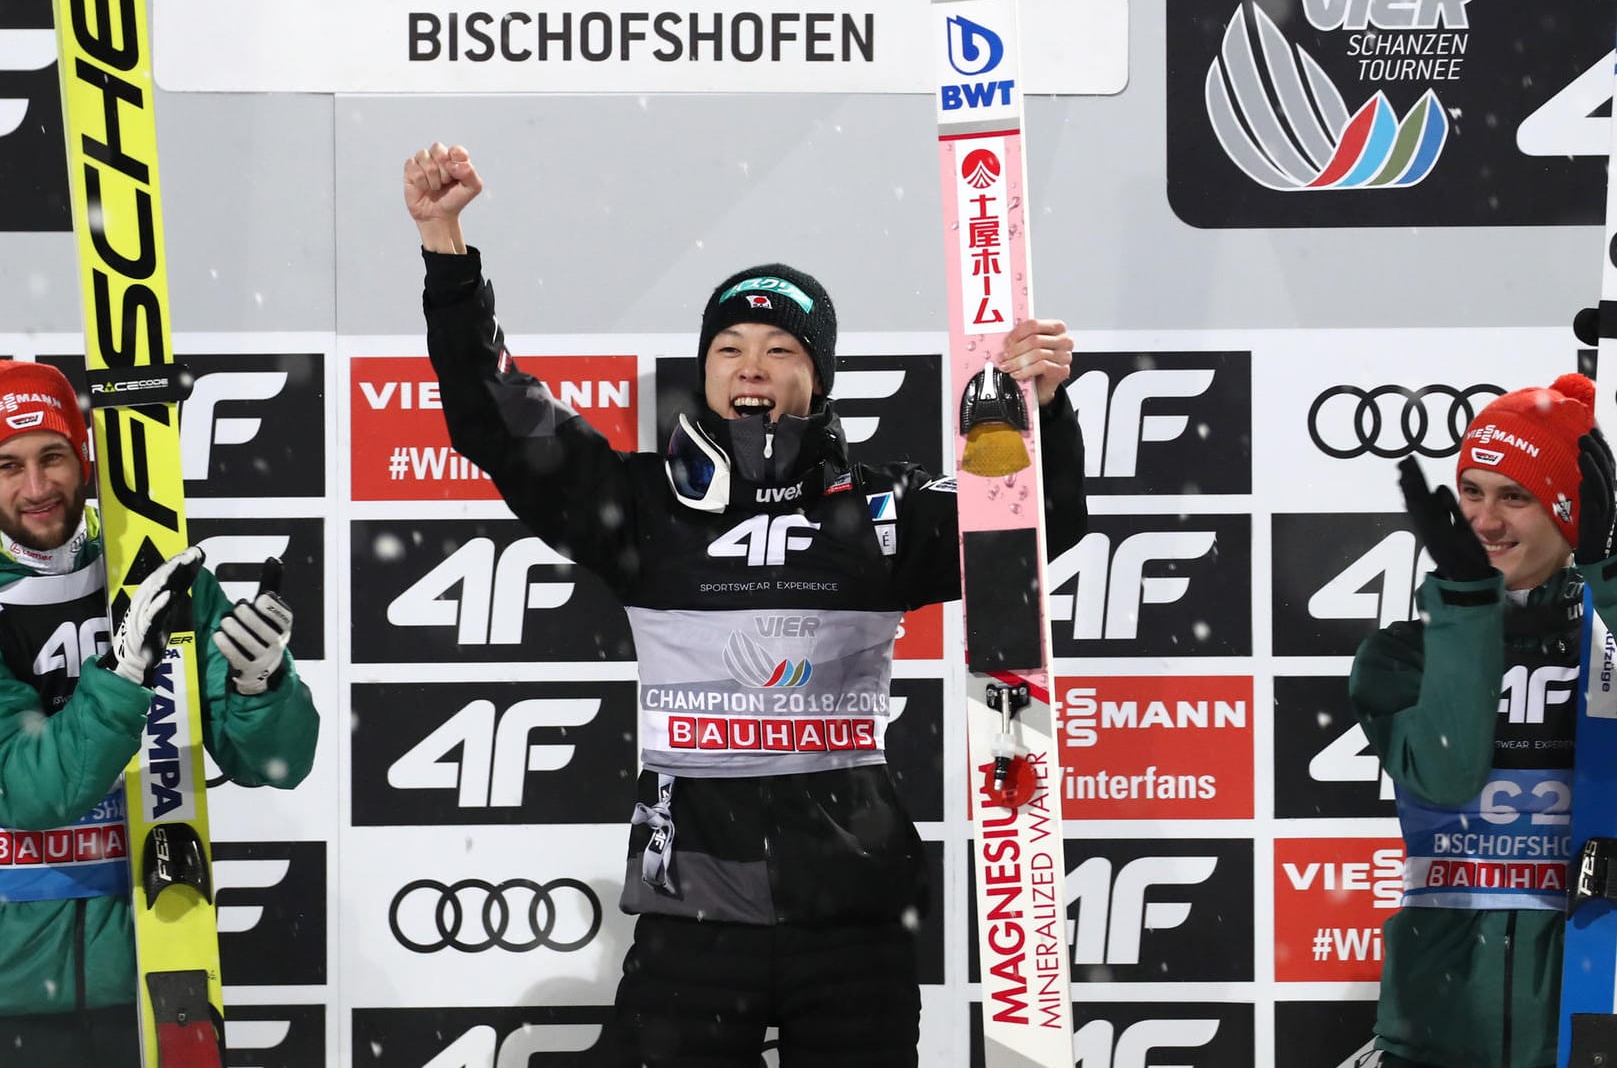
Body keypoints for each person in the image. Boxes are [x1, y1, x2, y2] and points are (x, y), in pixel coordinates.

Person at [404, 140, 1088, 1067]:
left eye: (779, 349)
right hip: (692, 919)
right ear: (705, 371)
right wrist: (445, 247)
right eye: (729, 347)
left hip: (851, 920)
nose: (751, 366)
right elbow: (496, 416)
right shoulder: (641, 508)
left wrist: (1039, 407)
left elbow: (1031, 529)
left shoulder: (880, 508)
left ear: (820, 376)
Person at [0, 361, 321, 1066]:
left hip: (150, 965)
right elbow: (29, 791)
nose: (36, 488)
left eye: (52, 457)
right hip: (11, 994)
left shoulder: (152, 572)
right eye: (8, 465)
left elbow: (278, 762)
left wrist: (261, 683)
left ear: (83, 459)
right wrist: (122, 672)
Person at [1350, 373, 1617, 1068]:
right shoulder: (1399, 655)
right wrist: (1465, 605)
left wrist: (1606, 573)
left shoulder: (1606, 648)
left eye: (1514, 497)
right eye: (1470, 491)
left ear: (1569, 512)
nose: (1483, 522)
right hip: (1438, 1029)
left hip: (1591, 1010)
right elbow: (1445, 773)